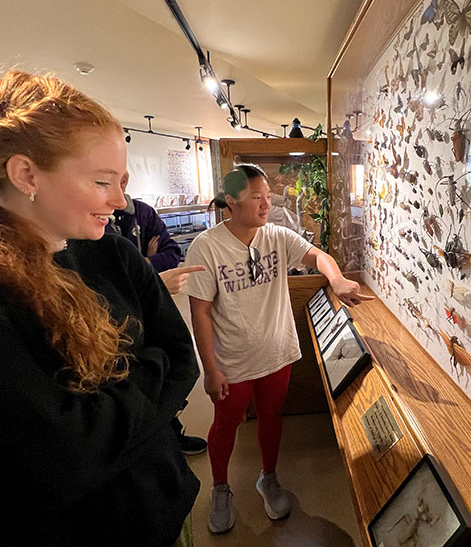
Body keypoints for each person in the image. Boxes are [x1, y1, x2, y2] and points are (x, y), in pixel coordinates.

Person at [0, 70, 201, 547]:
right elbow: (66, 456)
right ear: (27, 174)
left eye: (120, 182)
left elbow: (183, 360)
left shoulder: (113, 253)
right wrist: (150, 365)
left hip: (163, 504)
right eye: (101, 181)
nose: (119, 200)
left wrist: (108, 420)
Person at [182, 163, 373, 534]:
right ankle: (220, 488)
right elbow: (200, 312)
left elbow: (318, 256)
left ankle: (267, 477)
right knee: (226, 425)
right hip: (232, 361)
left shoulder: (276, 236)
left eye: (268, 197)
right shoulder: (206, 247)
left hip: (277, 353)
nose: (266, 205)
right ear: (231, 201)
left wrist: (337, 280)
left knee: (272, 416)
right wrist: (211, 369)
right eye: (257, 198)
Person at [106, 172, 208, 454]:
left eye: (122, 180)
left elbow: (171, 252)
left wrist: (143, 264)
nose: (117, 193)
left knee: (157, 378)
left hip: (142, 318)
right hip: (115, 330)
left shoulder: (142, 213)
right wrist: (147, 270)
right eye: (102, 180)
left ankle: (171, 434)